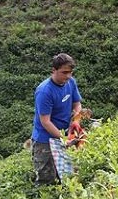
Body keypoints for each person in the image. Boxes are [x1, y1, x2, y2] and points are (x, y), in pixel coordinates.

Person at [31, 53, 83, 184]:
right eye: (64, 72)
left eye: (70, 72)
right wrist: (63, 139)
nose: (68, 76)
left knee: (68, 173)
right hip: (45, 139)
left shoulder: (71, 82)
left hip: (65, 133)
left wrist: (76, 120)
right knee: (47, 177)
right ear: (53, 70)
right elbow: (45, 122)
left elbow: (77, 103)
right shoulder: (44, 91)